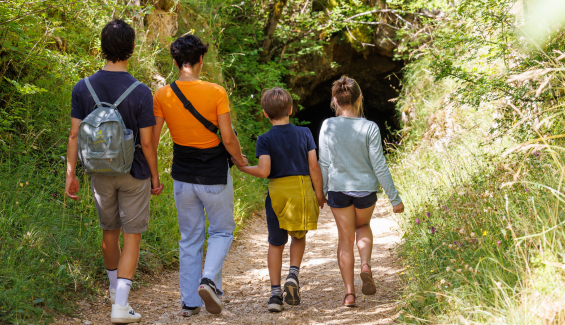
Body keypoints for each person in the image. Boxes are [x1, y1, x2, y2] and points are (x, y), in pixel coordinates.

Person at [65, 19, 163, 324]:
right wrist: (156, 177)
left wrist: (71, 173)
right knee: (132, 235)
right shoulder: (140, 91)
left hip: (98, 171)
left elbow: (73, 135)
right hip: (133, 172)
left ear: (102, 48)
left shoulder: (83, 87)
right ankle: (120, 306)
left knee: (109, 231)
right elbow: (147, 143)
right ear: (131, 50)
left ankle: (113, 290)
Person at [152, 34, 247, 316]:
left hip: (182, 177)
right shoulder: (216, 92)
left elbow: (152, 141)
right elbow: (227, 138)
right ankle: (208, 281)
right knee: (222, 230)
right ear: (201, 59)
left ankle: (189, 302)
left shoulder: (162, 95)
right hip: (214, 175)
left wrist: (154, 175)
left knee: (189, 238)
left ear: (175, 61)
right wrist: (240, 160)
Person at [233, 88, 326, 313]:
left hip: (278, 194)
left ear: (265, 113)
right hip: (302, 190)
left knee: (276, 243)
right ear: (291, 110)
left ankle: (275, 294)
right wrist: (320, 193)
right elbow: (314, 166)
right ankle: (293, 274)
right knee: (299, 235)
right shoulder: (304, 133)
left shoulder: (265, 139)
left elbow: (264, 171)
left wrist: (243, 167)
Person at [318, 75, 404, 307]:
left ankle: (349, 294)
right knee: (362, 226)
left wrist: (321, 191)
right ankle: (365, 264)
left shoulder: (328, 125)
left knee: (345, 239)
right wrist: (394, 198)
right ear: (360, 98)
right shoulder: (370, 127)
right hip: (365, 191)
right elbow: (379, 165)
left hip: (338, 191)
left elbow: (323, 163)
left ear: (335, 100)